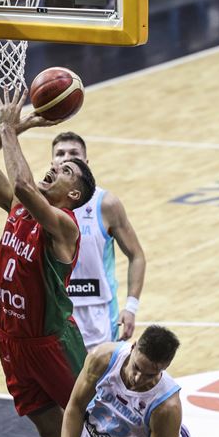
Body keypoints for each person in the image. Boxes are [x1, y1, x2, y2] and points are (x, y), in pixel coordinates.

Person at [0, 89, 96, 437]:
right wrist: (23, 125)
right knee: (50, 430)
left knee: (96, 425)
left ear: (74, 195)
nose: (54, 166)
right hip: (11, 340)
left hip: (51, 342)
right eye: (57, 163)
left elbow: (22, 184)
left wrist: (8, 127)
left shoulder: (65, 225)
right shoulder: (17, 207)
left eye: (65, 170)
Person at [51, 132, 146, 351]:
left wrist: (131, 307)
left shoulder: (106, 204)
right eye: (60, 153)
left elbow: (137, 255)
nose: (66, 157)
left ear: (85, 162)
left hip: (99, 314)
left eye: (73, 153)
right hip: (57, 313)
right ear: (52, 163)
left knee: (100, 382)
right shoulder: (41, 202)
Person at [62, 325, 189, 437]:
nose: (138, 378)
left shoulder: (167, 408)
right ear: (133, 347)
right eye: (136, 367)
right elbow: (76, 407)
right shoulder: (102, 358)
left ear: (166, 367)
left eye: (149, 375)